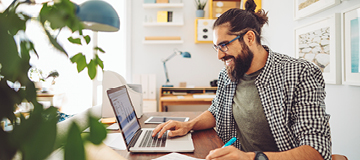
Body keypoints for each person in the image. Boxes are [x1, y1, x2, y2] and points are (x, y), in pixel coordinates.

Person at [152, 0, 331, 159]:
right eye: (216, 47)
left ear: (250, 37)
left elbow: (317, 151)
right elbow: (216, 112)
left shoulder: (300, 73)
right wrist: (188, 125)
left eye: (224, 45)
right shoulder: (228, 74)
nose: (220, 55)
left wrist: (251, 157)